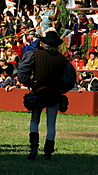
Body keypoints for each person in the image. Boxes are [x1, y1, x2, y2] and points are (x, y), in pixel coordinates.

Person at [17, 30, 76, 160]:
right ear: (57, 45)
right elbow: (70, 80)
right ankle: (48, 152)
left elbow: (22, 71)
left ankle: (33, 149)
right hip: (54, 93)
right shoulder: (63, 60)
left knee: (34, 120)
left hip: (38, 91)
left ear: (44, 43)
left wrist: (29, 83)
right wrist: (61, 90)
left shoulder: (34, 54)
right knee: (51, 123)